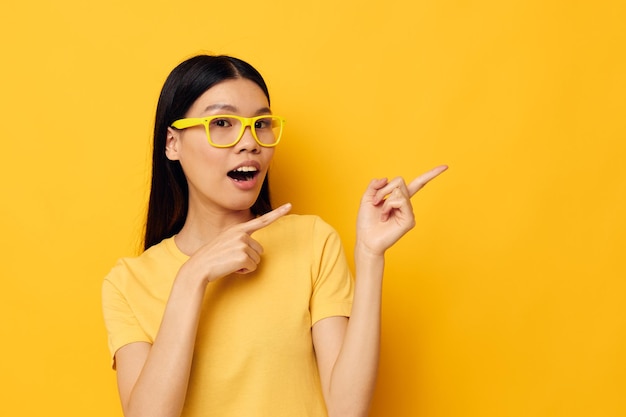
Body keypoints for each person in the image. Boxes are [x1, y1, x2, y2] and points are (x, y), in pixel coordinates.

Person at [102, 54, 447, 417]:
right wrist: (192, 277)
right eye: (222, 122)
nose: (250, 142)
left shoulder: (312, 241)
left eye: (261, 124)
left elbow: (348, 409)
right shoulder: (127, 283)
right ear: (172, 143)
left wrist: (370, 254)